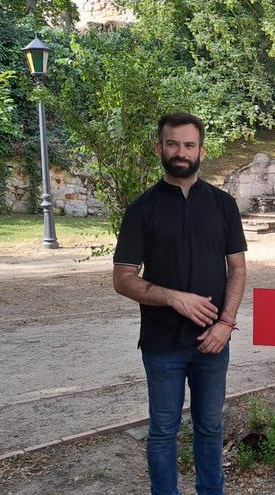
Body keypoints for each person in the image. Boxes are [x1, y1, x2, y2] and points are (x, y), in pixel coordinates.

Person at [113, 112, 247, 495]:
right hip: (161, 344)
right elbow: (122, 279)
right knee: (163, 432)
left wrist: (225, 324)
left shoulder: (223, 205)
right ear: (159, 148)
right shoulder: (141, 209)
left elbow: (237, 270)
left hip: (213, 342)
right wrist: (174, 298)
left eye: (189, 145)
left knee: (210, 427)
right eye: (172, 144)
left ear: (201, 150)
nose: (180, 152)